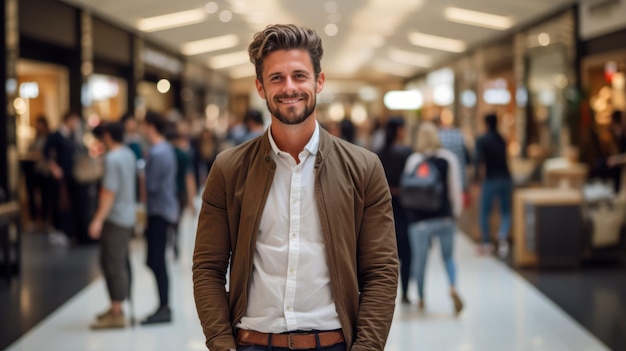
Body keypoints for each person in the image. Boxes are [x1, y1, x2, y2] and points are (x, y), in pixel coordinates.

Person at [192, 24, 398, 351]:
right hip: (251, 342)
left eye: (299, 75)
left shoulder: (363, 168)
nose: (289, 87)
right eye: (277, 78)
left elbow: (381, 271)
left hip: (332, 342)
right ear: (260, 87)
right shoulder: (229, 169)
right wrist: (220, 343)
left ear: (319, 81)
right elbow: (208, 267)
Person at [403, 121, 464, 315]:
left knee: (420, 260)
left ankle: (421, 297)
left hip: (418, 220)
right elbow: (455, 189)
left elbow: (407, 190)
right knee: (448, 257)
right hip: (444, 217)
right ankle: (453, 286)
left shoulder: (413, 160)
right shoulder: (448, 159)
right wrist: (454, 213)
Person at [88, 122, 137, 329]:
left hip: (115, 218)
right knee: (118, 261)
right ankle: (117, 306)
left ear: (107, 136)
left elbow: (109, 192)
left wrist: (98, 219)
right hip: (127, 216)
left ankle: (117, 312)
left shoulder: (112, 158)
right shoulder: (128, 154)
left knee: (112, 263)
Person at [140, 111, 179, 325]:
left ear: (150, 126)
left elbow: (152, 185)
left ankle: (164, 306)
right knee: (156, 260)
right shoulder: (166, 149)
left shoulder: (157, 153)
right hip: (164, 210)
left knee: (157, 260)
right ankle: (163, 305)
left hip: (159, 212)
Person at [377, 116, 413, 304]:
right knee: (406, 252)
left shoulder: (379, 153)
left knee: (385, 253)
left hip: (384, 207)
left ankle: (385, 294)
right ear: (399, 130)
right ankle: (406, 292)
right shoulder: (408, 153)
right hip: (406, 206)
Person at [473, 113, 512, 258]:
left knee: (484, 212)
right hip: (506, 178)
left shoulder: (482, 140)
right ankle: (502, 235)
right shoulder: (501, 139)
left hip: (490, 179)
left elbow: (478, 161)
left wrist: (476, 179)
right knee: (505, 211)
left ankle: (486, 242)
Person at [43, 111, 83, 245]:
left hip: (70, 175)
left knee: (68, 203)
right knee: (58, 202)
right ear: (69, 120)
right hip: (58, 176)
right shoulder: (56, 135)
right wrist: (54, 168)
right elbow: (46, 152)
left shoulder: (72, 136)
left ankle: (68, 231)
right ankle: (57, 229)